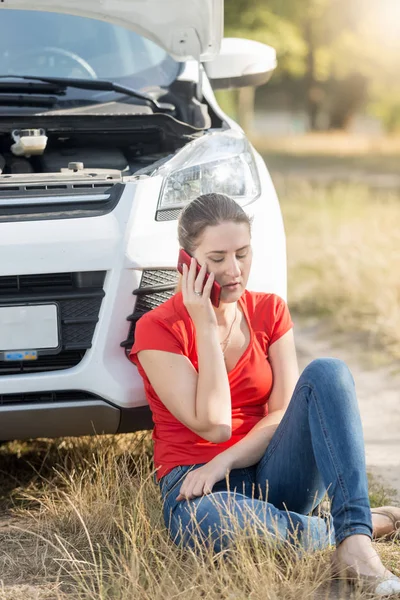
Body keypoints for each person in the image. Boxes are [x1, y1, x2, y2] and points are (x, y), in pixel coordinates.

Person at [130, 193, 400, 596]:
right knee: (222, 523)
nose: (234, 270)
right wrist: (205, 321)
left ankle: (355, 546)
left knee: (328, 371)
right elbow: (216, 423)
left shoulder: (270, 311)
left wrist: (224, 462)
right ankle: (356, 526)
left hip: (273, 470)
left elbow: (280, 415)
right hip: (199, 488)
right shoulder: (157, 329)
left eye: (242, 253)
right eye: (217, 258)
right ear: (187, 263)